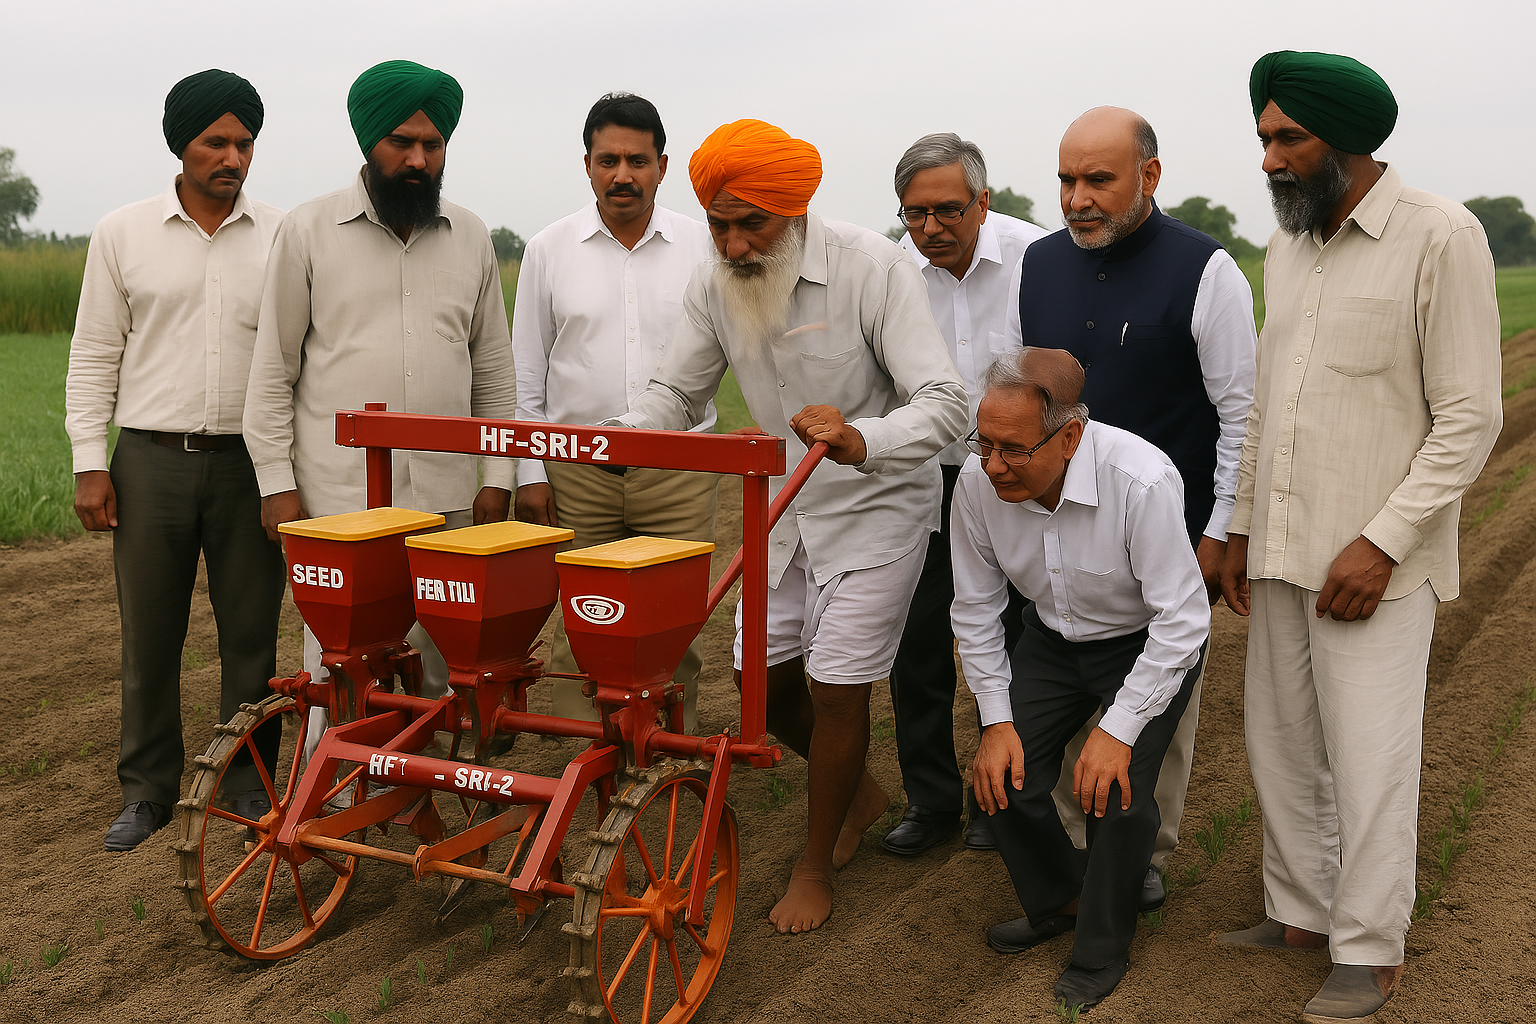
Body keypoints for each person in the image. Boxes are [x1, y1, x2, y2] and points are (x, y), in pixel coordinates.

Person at [613, 119, 967, 934]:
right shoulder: (714, 283)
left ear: (796, 211)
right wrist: (621, 432)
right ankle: (863, 791)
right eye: (719, 224)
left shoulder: (872, 267)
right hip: (780, 511)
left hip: (875, 507)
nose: (735, 245)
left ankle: (817, 864)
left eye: (752, 224)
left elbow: (946, 404)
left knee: (837, 687)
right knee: (759, 691)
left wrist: (859, 436)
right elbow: (677, 392)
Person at [1215, 52, 1501, 1022]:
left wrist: (1381, 542)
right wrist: (1244, 525)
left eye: (1288, 138)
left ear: (1350, 141)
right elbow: (1266, 405)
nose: (1271, 158)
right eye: (1264, 138)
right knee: (1282, 742)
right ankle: (1299, 912)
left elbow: (1470, 417)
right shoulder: (1289, 244)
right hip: (1288, 543)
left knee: (1371, 756)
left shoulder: (1440, 235)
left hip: (1377, 564)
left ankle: (1371, 951)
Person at [1006, 106, 1257, 912]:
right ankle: (1077, 859)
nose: (1077, 197)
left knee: (1154, 718)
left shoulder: (1206, 269)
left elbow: (1240, 414)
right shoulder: (1039, 264)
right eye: (1066, 180)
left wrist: (1220, 531)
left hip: (1164, 537)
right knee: (1062, 684)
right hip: (1055, 527)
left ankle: (1138, 853)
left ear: (1150, 176)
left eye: (1098, 180)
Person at [243, 60, 517, 723]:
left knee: (430, 670)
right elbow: (272, 370)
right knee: (339, 671)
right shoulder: (307, 230)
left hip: (448, 499)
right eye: (402, 142)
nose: (418, 159)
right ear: (368, 143)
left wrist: (498, 472)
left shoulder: (472, 235)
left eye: (432, 144)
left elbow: (494, 371)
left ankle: (414, 805)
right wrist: (277, 484)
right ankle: (334, 810)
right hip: (340, 503)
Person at [65, 69, 285, 851]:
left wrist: (286, 475)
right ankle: (148, 791)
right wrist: (92, 462)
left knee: (252, 635)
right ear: (180, 146)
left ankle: (250, 782)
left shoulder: (283, 236)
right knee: (149, 634)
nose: (233, 156)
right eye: (215, 141)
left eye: (245, 142)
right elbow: (94, 355)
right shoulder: (121, 233)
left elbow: (300, 360)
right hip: (148, 463)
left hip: (251, 466)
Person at [952, 347, 1208, 1010]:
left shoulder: (1141, 479)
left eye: (1013, 449)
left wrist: (1118, 730)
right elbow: (977, 607)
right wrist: (995, 721)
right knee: (1000, 779)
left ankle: (1101, 949)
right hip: (1051, 640)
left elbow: (1181, 621)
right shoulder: (979, 484)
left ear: (1069, 436)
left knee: (1114, 794)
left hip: (1147, 641)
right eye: (984, 444)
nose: (994, 465)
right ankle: (1064, 898)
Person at [512, 93, 716, 732]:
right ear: (587, 165)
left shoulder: (702, 246)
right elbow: (527, 371)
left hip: (678, 468)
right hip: (577, 472)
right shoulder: (549, 249)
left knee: (672, 620)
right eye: (608, 161)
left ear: (662, 165)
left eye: (636, 160)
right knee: (587, 618)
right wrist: (531, 473)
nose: (622, 174)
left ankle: (661, 749)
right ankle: (592, 751)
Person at [881, 133, 1048, 857]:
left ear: (984, 201)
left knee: (1008, 638)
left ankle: (999, 797)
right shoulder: (889, 269)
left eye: (948, 210)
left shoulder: (1037, 260)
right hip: (917, 478)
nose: (930, 230)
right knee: (914, 644)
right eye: (914, 213)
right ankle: (930, 800)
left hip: (1009, 478)